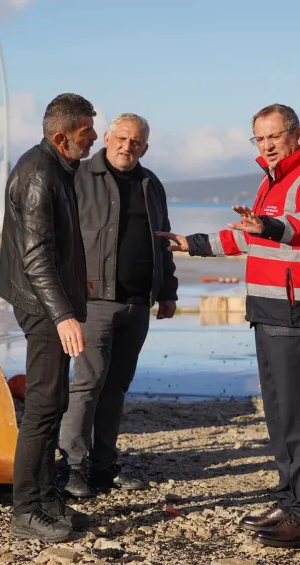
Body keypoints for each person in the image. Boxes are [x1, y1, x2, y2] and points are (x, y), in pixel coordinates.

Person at [159, 104, 300, 549]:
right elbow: (249, 234)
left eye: (273, 136)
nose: (266, 145)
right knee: (278, 412)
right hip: (267, 310)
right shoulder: (271, 181)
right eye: (259, 139)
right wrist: (194, 244)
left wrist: (270, 224)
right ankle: (288, 498)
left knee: (297, 413)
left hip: (297, 310)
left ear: (296, 133)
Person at [0, 92, 99, 542]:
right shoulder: (39, 174)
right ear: (62, 136)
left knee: (54, 401)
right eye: (86, 132)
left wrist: (78, 285)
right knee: (41, 406)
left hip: (48, 301)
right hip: (41, 307)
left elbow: (57, 248)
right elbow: (37, 256)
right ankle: (26, 510)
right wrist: (63, 315)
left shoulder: (58, 167)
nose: (93, 138)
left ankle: (45, 495)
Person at [58, 112, 178, 497]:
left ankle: (104, 465)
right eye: (122, 139)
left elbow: (163, 240)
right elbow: (59, 240)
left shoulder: (151, 183)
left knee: (117, 387)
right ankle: (73, 466)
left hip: (138, 302)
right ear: (107, 137)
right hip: (94, 300)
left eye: (137, 142)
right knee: (87, 384)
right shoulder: (78, 176)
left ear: (146, 146)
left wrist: (168, 290)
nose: (128, 147)